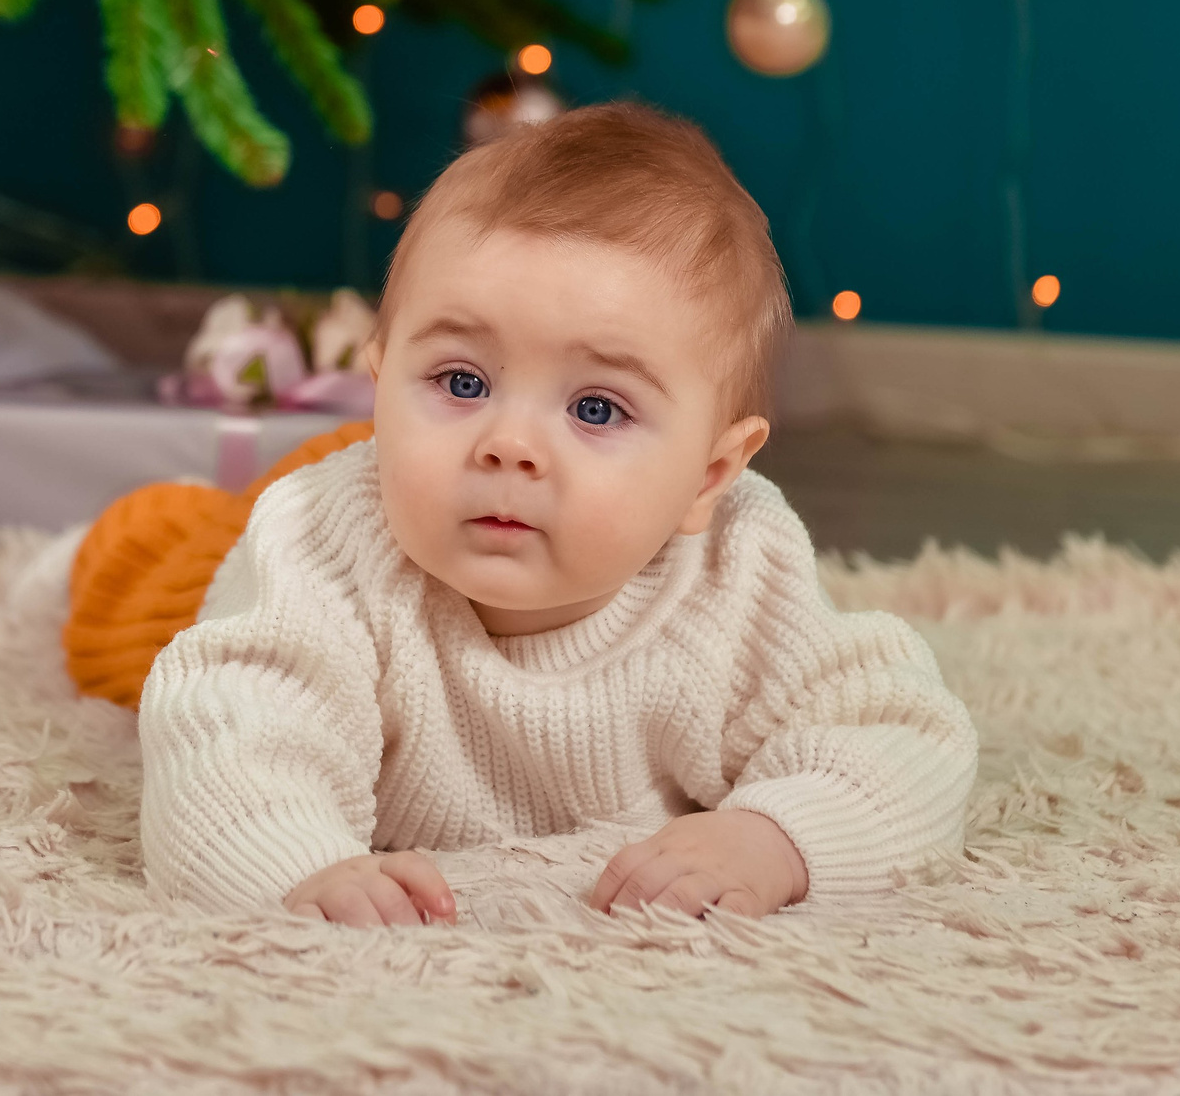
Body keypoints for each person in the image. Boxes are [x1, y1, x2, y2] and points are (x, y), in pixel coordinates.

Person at [64, 101, 977, 927]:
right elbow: (233, 729)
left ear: (709, 475)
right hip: (289, 535)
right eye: (462, 381)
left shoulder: (738, 564)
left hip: (421, 486)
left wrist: (777, 837)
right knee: (137, 578)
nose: (510, 443)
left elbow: (900, 736)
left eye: (596, 408)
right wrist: (299, 866)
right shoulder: (319, 543)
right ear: (381, 388)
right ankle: (74, 551)